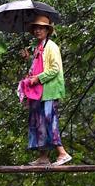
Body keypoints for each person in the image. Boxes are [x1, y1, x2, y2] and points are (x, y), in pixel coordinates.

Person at [23, 15, 71, 166]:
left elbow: (55, 69)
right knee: (38, 121)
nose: (38, 31)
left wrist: (37, 79)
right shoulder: (39, 47)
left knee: (50, 120)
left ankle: (62, 153)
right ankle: (43, 156)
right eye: (36, 28)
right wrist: (28, 60)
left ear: (47, 30)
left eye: (41, 28)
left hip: (49, 90)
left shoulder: (52, 47)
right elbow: (36, 70)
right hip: (40, 92)